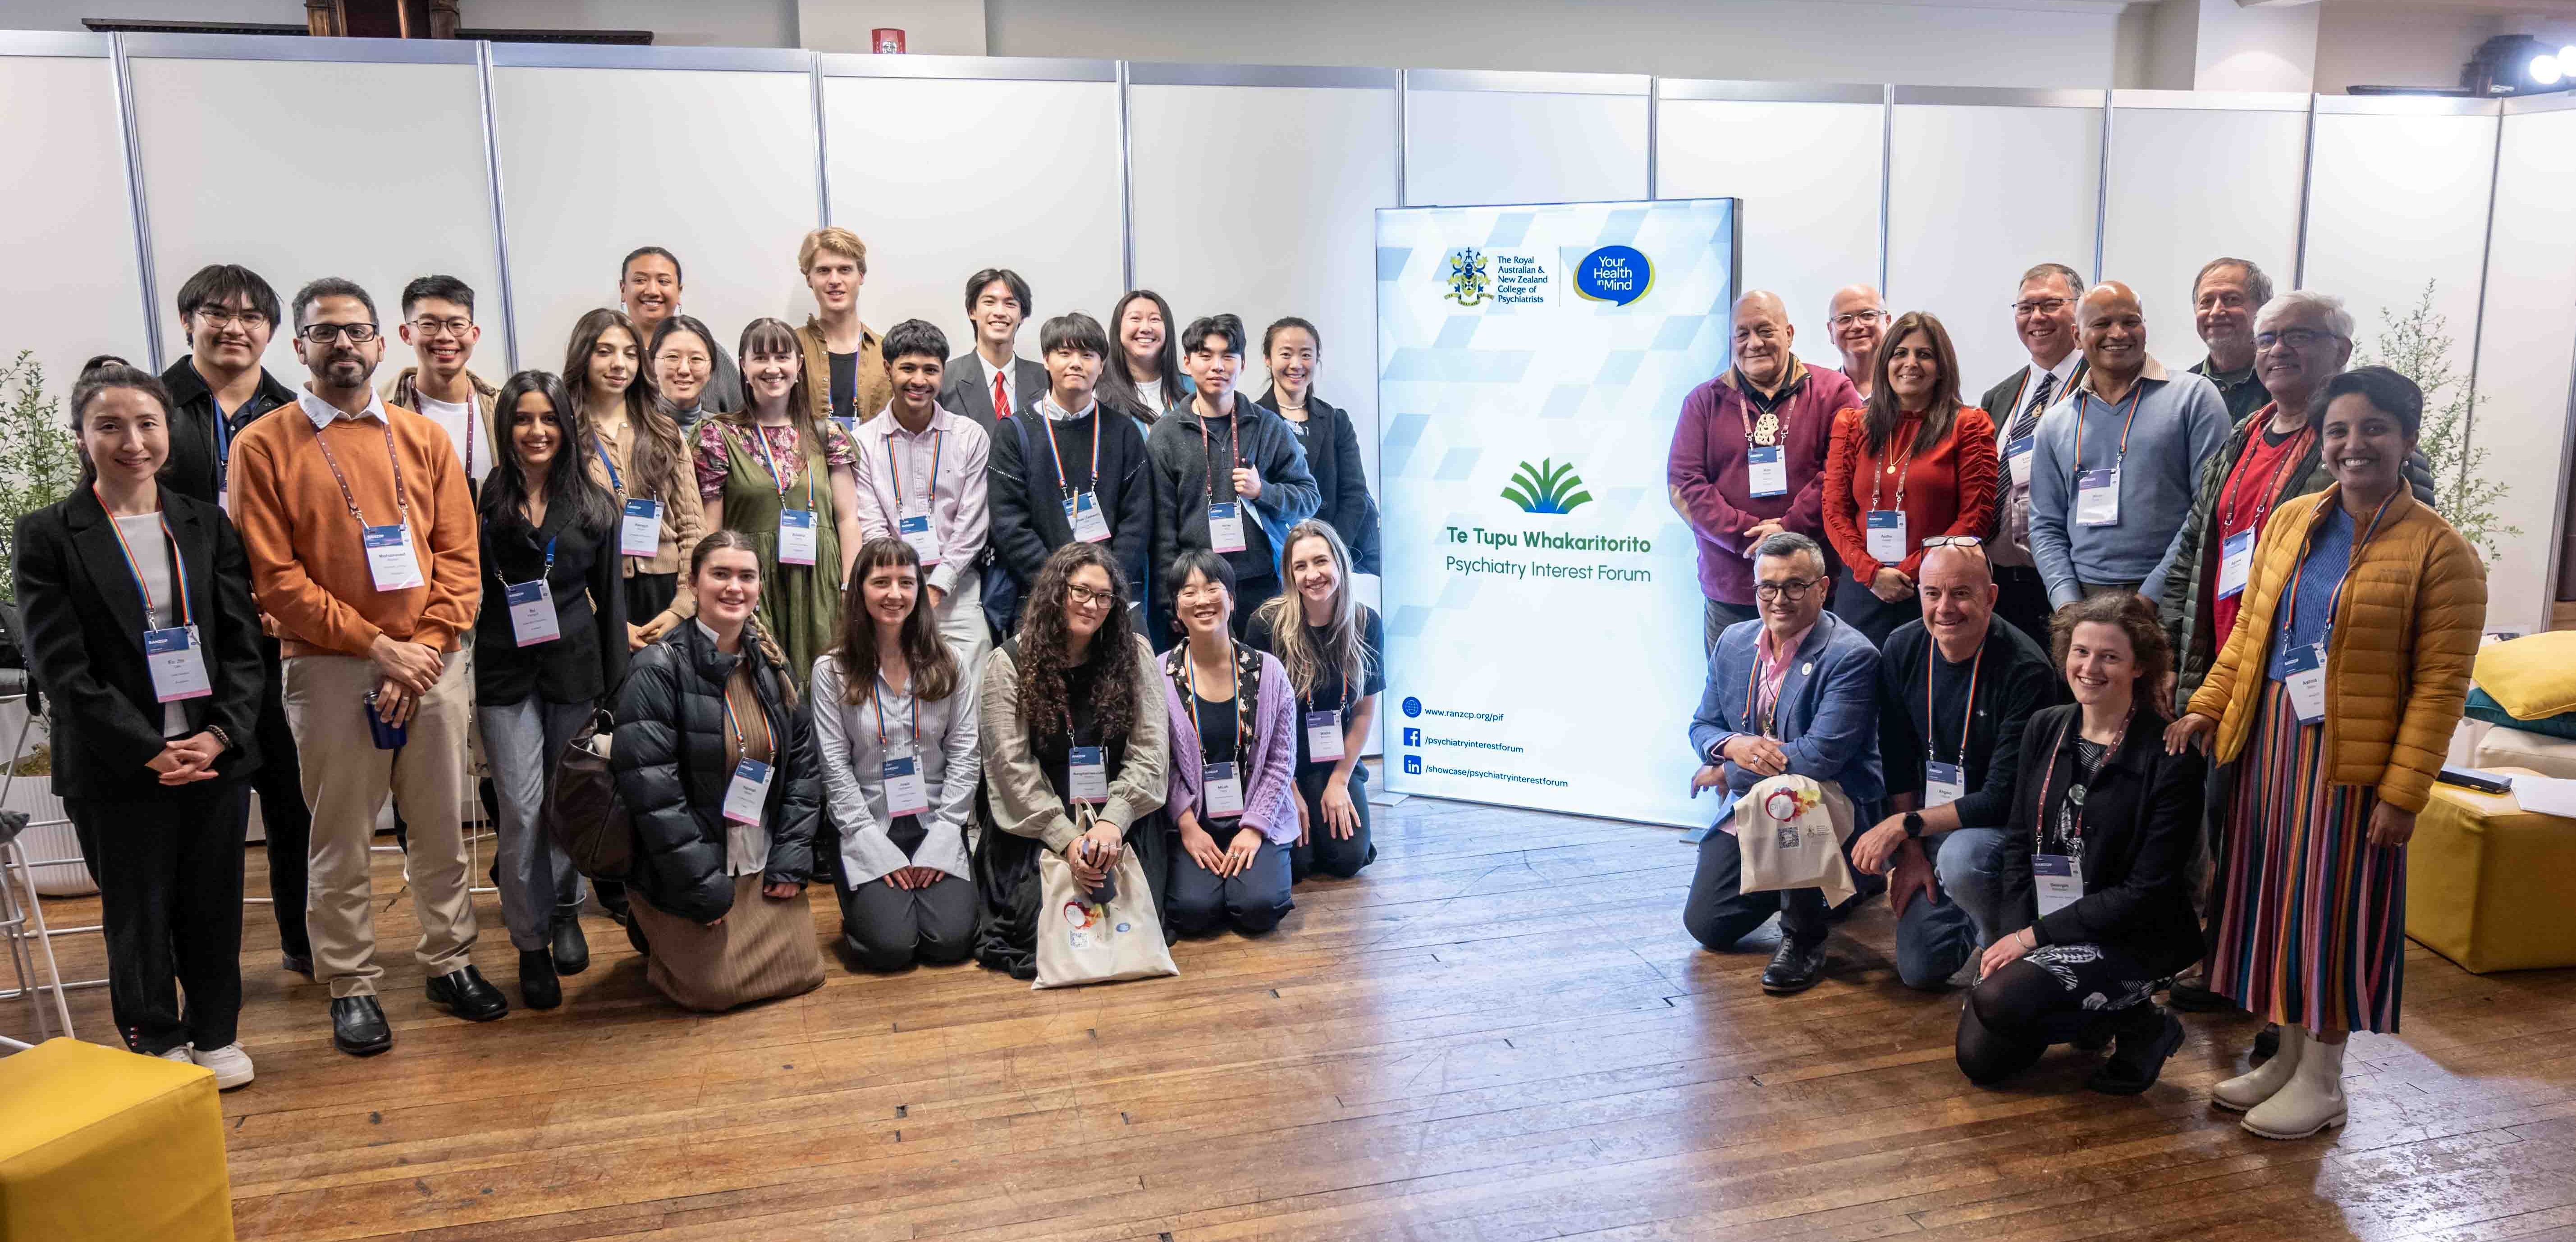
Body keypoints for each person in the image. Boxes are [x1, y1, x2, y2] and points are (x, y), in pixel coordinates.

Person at [2167, 367, 2483, 1140]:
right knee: (2273, 900)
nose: (2353, 445)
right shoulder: (2293, 521)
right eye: (2338, 430)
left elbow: (2440, 688)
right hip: (2271, 741)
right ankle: (2284, 1057)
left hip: (2355, 761)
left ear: (2407, 439)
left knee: (2331, 914)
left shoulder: (2442, 553)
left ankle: (2323, 1079)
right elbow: (2251, 634)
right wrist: (2208, 704)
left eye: (2374, 428)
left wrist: (2403, 794)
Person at [227, 277, 503, 1055]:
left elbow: (460, 560)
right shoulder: (262, 446)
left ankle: (449, 961)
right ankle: (350, 983)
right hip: (329, 668)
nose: (342, 344)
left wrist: (424, 649)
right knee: (340, 836)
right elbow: (273, 579)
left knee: (442, 828)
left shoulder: (423, 439)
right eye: (325, 332)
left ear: (382, 344)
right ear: (300, 347)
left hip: (433, 662)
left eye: (356, 331)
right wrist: (378, 648)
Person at [2152, 292, 2436, 1029]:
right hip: (2238, 665)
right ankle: (2242, 975)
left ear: (2340, 352)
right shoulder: (2243, 436)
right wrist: (2179, 660)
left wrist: (2404, 787)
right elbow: (2196, 549)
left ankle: (2303, 1025)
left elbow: (2412, 630)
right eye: (2268, 337)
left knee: (2317, 876)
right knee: (2243, 838)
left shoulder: (2375, 458)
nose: (2277, 349)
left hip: (2330, 700)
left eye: (2298, 336)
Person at [13, 362, 265, 1087]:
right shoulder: (49, 535)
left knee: (213, 904)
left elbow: (244, 644)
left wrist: (219, 734)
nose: (133, 441)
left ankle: (216, 1031)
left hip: (212, 753)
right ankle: (154, 1036)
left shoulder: (205, 522)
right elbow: (61, 667)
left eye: (147, 423)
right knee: (138, 910)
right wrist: (149, 749)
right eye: (110, 426)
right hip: (116, 763)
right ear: (81, 437)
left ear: (168, 432)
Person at [1954, 592, 2201, 1095]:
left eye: (2109, 657)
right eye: (2081, 652)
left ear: (2138, 667)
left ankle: (2140, 1023)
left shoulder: (2169, 755)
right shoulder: (2045, 726)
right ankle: (2093, 1015)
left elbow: (2146, 891)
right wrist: (2017, 932)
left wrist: (2032, 940)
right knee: (1980, 1060)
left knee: (2000, 1000)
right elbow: (2019, 844)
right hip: (2049, 921)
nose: (2089, 668)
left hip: (2131, 934)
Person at [154, 263, 311, 977]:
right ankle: (196, 966)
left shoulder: (295, 414)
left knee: (293, 797)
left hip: (277, 632)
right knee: (198, 806)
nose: (233, 327)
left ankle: (304, 941)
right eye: (217, 312)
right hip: (185, 635)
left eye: (251, 316)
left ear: (271, 332)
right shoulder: (152, 408)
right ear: (188, 321)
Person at [609, 530, 826, 1011]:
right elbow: (654, 796)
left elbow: (804, 766)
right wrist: (699, 885)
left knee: (803, 970)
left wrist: (791, 858)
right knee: (717, 992)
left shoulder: (772, 662)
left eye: (746, 576)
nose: (734, 587)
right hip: (689, 863)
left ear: (760, 586)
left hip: (758, 852)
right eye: (720, 574)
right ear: (693, 583)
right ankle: (655, 921)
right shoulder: (657, 667)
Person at [473, 370, 627, 1010]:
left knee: (567, 803)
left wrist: (614, 690)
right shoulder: (481, 499)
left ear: (566, 426)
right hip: (504, 672)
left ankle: (566, 910)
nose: (536, 432)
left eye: (548, 419)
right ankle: (530, 940)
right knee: (521, 808)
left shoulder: (595, 504)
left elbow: (612, 603)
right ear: (505, 426)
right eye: (522, 419)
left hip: (573, 670)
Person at [1680, 532, 1884, 995]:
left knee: (1787, 795)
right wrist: (1733, 746)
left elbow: (1818, 756)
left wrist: (1727, 771)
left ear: (1823, 588)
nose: (1779, 599)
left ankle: (1804, 936)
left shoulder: (1852, 655)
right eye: (1767, 587)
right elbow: (1702, 726)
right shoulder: (1733, 641)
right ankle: (1834, 882)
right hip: (1756, 797)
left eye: (1795, 585)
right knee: (1709, 924)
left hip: (1832, 796)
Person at [1847, 541, 2054, 989]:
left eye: (1961, 593)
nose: (1945, 608)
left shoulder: (2026, 669)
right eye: (1933, 593)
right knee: (1919, 971)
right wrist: (1911, 853)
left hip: (2000, 833)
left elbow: (2001, 799)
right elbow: (1897, 757)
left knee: (1962, 858)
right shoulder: (1902, 647)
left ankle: (2007, 949)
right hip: (1930, 827)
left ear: (1990, 597)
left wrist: (1904, 826)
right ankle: (1970, 917)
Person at [972, 542, 1168, 978]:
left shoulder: (1134, 652)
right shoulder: (1009, 663)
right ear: (1056, 591)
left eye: (1104, 596)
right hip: (1037, 824)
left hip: (1119, 815)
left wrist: (1112, 824)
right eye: (1081, 591)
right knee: (1036, 924)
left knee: (1127, 912)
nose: (1092, 605)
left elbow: (1151, 751)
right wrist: (1068, 841)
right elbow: (1011, 768)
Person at [811, 538, 980, 971]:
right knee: (891, 948)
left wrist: (946, 832)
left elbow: (965, 753)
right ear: (859, 590)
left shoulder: (951, 662)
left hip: (935, 819)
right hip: (867, 822)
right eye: (881, 581)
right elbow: (834, 767)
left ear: (919, 591)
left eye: (906, 582)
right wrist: (869, 842)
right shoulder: (831, 671)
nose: (895, 594)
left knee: (950, 942)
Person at [1668, 291, 1860, 649]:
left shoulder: (1833, 392)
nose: (1754, 343)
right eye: (1742, 334)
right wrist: (1750, 538)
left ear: (1789, 334)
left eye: (1765, 331)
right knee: (1734, 683)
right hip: (1734, 588)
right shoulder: (1703, 402)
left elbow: (1842, 473)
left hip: (1812, 585)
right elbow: (1684, 485)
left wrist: (1789, 530)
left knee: (1816, 682)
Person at [2027, 282, 2229, 607]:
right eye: (2102, 323)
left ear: (2144, 328)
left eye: (2130, 322)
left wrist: (2151, 597)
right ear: (2077, 336)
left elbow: (2207, 507)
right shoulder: (2056, 422)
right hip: (2083, 597)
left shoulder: (2193, 397)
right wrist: (2066, 603)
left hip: (2172, 593)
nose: (2118, 333)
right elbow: (2044, 525)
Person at [1819, 311, 1998, 646]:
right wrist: (1872, 573)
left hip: (1938, 591)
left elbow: (1975, 518)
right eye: (1900, 353)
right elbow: (1834, 511)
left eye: (1924, 354)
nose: (1910, 363)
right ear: (1885, 362)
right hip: (1864, 587)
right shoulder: (1852, 424)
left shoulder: (1969, 425)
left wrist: (1913, 571)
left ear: (1941, 367)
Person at [698, 317, 864, 679]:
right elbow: (711, 529)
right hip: (751, 584)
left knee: (826, 683)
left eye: (782, 357)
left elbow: (848, 519)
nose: (772, 368)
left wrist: (849, 588)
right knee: (760, 683)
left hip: (821, 584)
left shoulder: (827, 435)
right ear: (743, 366)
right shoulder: (719, 436)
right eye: (760, 358)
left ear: (798, 366)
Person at [1146, 313, 1322, 645]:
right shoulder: (1165, 435)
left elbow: (1309, 497)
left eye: (1228, 356)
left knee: (1266, 673)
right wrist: (1170, 600)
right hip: (1199, 588)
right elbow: (1162, 529)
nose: (1217, 366)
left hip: (1262, 585)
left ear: (1242, 364)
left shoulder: (1267, 426)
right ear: (1187, 362)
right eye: (1206, 356)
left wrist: (1263, 492)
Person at [987, 312, 1157, 631]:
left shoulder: (1123, 432)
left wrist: (1102, 587)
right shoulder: (1014, 432)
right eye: (1064, 353)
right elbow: (1008, 522)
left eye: (1087, 355)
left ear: (1102, 365)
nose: (1076, 364)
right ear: (1046, 361)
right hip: (1041, 597)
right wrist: (1060, 586)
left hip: (1111, 600)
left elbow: (1137, 519)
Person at [1159, 550, 1298, 936]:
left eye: (1212, 588)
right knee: (1191, 913)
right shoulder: (1159, 674)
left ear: (1232, 599)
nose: (1202, 600)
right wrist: (1187, 825)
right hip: (1194, 819)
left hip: (1256, 813)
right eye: (1189, 592)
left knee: (1259, 908)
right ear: (1177, 608)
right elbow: (1161, 762)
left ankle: (1245, 880)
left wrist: (1254, 828)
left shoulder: (1269, 671)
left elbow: (1281, 760)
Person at [850, 320, 991, 673]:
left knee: (974, 680)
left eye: (930, 370)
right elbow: (871, 525)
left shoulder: (970, 437)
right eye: (908, 368)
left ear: (943, 373)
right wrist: (901, 586)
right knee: (893, 686)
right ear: (888, 369)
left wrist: (937, 587)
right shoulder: (864, 443)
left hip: (956, 589)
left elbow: (972, 526)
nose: (919, 380)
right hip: (889, 589)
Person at [1248, 520, 1382, 881]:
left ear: (1339, 562)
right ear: (1289, 575)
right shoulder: (1266, 625)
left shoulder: (1366, 623)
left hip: (1335, 760)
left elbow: (1364, 713)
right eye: (1300, 566)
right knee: (1298, 864)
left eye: (1321, 561)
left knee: (1348, 859)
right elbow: (1259, 721)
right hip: (1280, 765)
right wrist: (1286, 787)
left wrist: (1339, 781)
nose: (1312, 575)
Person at [1976, 262, 2090, 649]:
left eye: (2050, 305)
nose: (2036, 317)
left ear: (2079, 310)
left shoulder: (2101, 383)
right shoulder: (1999, 395)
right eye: (2025, 308)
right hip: (1998, 582)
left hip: (2066, 584)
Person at [608, 315, 714, 651]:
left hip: (677, 585)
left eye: (696, 359)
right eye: (671, 357)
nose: (684, 369)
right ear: (650, 363)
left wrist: (684, 603)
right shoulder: (605, 431)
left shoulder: (717, 432)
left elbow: (693, 528)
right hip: (613, 587)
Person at [1254, 317, 1381, 576]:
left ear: (1317, 359)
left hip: (1330, 560)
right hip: (1273, 561)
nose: (1296, 364)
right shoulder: (1252, 421)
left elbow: (1355, 494)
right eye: (1286, 354)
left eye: (1306, 355)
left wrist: (1332, 553)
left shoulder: (1336, 421)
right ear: (1268, 359)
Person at [379, 275, 497, 492]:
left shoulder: (502, 405)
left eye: (457, 325)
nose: (445, 336)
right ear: (406, 334)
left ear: (474, 334)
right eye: (429, 325)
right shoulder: (380, 411)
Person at [618, 246, 741, 417]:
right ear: (623, 289)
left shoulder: (713, 354)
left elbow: (743, 421)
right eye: (640, 280)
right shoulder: (607, 356)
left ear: (679, 292)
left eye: (663, 281)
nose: (652, 291)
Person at [792, 228, 892, 431]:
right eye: (824, 271)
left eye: (845, 270)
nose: (835, 281)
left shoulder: (887, 351)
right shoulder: (790, 348)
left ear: (861, 276)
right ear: (809, 279)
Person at [939, 268, 1047, 434]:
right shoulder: (944, 379)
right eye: (989, 302)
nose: (1000, 312)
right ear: (972, 311)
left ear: (1022, 316)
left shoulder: (1047, 380)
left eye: (1010, 304)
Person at [2187, 259, 2274, 425]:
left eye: (2232, 299)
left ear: (2263, 309)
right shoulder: (2183, 390)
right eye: (2206, 302)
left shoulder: (2287, 384)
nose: (2216, 311)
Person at [1096, 289, 1188, 427]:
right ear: (1118, 328)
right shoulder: (1095, 392)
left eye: (1155, 319)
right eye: (1135, 319)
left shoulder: (1194, 389)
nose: (1146, 328)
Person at [1827, 285, 1888, 400]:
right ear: (1831, 331)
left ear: (1887, 322)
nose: (1856, 326)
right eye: (1845, 319)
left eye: (1867, 315)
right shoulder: (1820, 395)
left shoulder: (1907, 388)